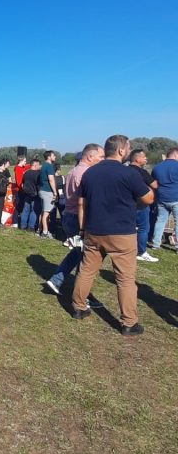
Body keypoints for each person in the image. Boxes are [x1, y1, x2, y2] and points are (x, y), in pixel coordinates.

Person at [72, 135, 154, 335]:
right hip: (121, 233)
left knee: (86, 271)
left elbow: (82, 203)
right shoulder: (129, 174)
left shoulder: (89, 174)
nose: (128, 150)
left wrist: (82, 229)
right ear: (120, 150)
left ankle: (78, 306)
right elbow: (149, 198)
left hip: (93, 230)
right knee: (125, 278)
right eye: (128, 148)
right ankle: (129, 322)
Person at [45, 143, 104, 295]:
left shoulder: (72, 171)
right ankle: (80, 294)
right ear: (90, 156)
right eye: (101, 157)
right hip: (79, 217)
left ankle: (60, 281)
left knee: (78, 252)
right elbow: (85, 200)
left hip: (69, 215)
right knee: (85, 257)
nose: (103, 160)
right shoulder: (87, 174)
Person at [128, 148, 158, 262]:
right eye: (144, 156)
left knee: (130, 228)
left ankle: (130, 249)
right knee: (143, 228)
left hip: (128, 204)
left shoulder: (126, 170)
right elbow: (154, 185)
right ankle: (141, 252)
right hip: (141, 204)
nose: (146, 158)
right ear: (137, 158)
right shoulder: (141, 172)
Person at [150, 146, 178, 252]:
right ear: (176, 154)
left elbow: (153, 183)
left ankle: (155, 244)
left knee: (160, 221)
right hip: (176, 197)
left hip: (161, 198)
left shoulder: (157, 167)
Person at [38, 150, 57, 238]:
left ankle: (40, 229)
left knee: (43, 212)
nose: (55, 157)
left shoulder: (43, 166)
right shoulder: (49, 166)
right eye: (54, 155)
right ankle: (45, 232)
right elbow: (51, 179)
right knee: (46, 213)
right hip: (47, 191)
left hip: (42, 190)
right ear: (49, 157)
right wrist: (55, 192)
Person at [19, 159, 41, 230]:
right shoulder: (38, 174)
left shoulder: (26, 173)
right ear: (35, 165)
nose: (39, 166)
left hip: (26, 193)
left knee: (25, 210)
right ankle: (31, 226)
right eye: (38, 165)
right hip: (35, 194)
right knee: (34, 210)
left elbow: (22, 183)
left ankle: (23, 225)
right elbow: (39, 185)